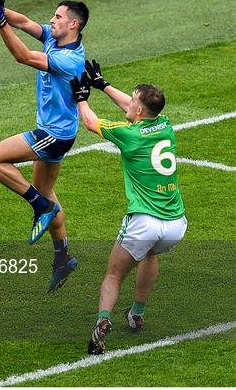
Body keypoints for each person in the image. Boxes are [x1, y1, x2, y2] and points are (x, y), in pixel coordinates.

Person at [70, 59, 187, 354]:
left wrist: (82, 98)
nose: (128, 104)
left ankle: (102, 322)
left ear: (137, 111)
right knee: (149, 255)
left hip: (143, 222)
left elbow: (91, 123)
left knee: (113, 274)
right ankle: (136, 314)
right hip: (175, 224)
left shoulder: (129, 135)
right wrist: (103, 84)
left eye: (132, 101)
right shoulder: (164, 124)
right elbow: (132, 106)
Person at [0, 0, 88, 294]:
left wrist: (1, 24)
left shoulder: (70, 60)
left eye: (58, 17)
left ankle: (40, 207)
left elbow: (23, 56)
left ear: (73, 25)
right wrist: (3, 10)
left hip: (52, 135)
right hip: (60, 132)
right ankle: (62, 257)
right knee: (47, 190)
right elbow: (25, 22)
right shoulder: (55, 38)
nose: (52, 20)